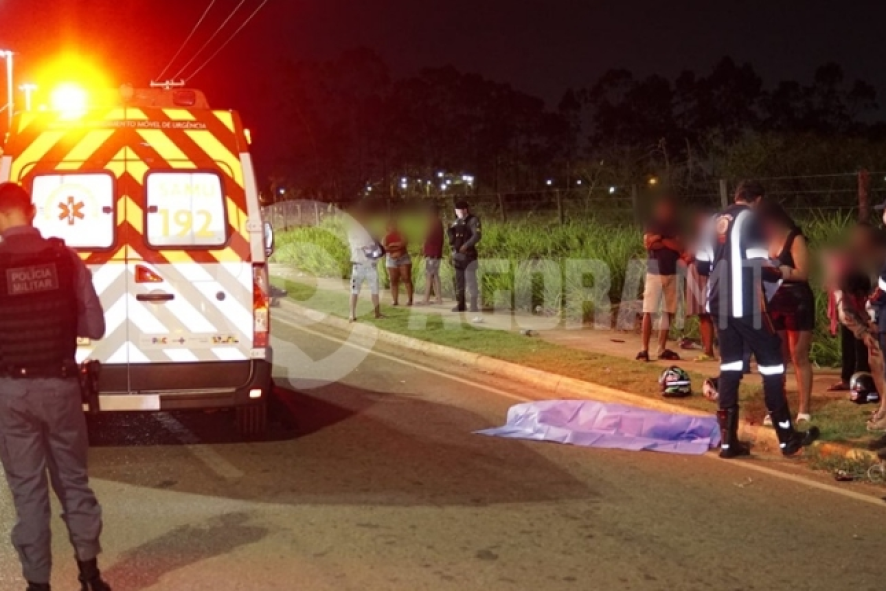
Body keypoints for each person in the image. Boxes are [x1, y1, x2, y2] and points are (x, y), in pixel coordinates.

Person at [0, 183, 110, 591]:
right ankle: (90, 576)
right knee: (74, 481)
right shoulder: (66, 259)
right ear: (31, 211)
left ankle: (37, 585)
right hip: (61, 388)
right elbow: (94, 327)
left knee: (27, 490)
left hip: (10, 393)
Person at [696, 180, 819, 459]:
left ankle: (728, 441)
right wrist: (781, 271)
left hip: (717, 303)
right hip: (747, 304)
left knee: (730, 366)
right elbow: (759, 265)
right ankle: (787, 437)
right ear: (758, 200)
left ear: (737, 196)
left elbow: (702, 265)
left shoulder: (713, 220)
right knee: (773, 364)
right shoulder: (751, 219)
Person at [758, 202, 815, 423]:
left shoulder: (795, 239)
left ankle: (804, 409)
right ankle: (777, 407)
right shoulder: (765, 240)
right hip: (774, 300)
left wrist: (780, 271)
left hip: (797, 301)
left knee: (798, 355)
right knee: (777, 356)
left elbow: (803, 273)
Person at [825, 223, 876, 391]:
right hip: (851, 302)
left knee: (866, 344)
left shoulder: (875, 258)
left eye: (861, 236)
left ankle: (865, 379)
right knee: (851, 339)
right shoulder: (849, 257)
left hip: (871, 303)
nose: (857, 240)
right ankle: (848, 378)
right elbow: (844, 311)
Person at [638, 196, 682, 362]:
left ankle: (661, 348)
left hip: (672, 271)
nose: (666, 211)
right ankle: (644, 349)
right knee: (648, 310)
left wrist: (659, 239)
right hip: (654, 272)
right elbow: (648, 244)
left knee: (668, 311)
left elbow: (679, 246)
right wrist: (666, 241)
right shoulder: (652, 222)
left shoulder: (676, 224)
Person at [681, 209, 716, 361]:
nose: (698, 222)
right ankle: (708, 350)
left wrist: (692, 253)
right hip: (696, 274)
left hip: (711, 275)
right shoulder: (696, 235)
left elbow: (691, 253)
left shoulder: (715, 235)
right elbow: (686, 255)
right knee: (703, 314)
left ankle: (727, 352)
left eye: (700, 218)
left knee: (718, 314)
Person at [347, 205, 385, 322]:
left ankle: (377, 313)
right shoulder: (354, 231)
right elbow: (368, 248)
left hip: (369, 265)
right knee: (355, 290)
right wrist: (376, 249)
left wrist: (376, 247)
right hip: (359, 265)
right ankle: (352, 314)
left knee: (374, 290)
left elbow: (375, 245)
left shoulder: (367, 230)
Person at [447, 200, 482, 313]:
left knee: (471, 280)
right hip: (458, 256)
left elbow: (477, 236)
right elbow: (453, 240)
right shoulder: (456, 222)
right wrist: (452, 254)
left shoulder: (473, 220)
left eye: (460, 209)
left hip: (468, 255)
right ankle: (461, 304)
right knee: (459, 282)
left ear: (465, 209)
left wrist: (466, 245)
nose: (457, 211)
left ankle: (473, 305)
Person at [383, 218, 414, 306]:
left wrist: (393, 245)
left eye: (394, 225)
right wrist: (396, 247)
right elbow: (385, 247)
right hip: (391, 259)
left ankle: (410, 299)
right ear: (387, 227)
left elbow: (403, 243)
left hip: (403, 258)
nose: (392, 227)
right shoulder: (386, 237)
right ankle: (395, 300)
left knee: (406, 278)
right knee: (393, 280)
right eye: (390, 226)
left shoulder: (401, 234)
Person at [418, 205, 444, 306]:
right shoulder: (438, 222)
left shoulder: (433, 223)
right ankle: (438, 298)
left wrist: (423, 246)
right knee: (435, 275)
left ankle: (426, 298)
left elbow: (427, 235)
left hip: (432, 253)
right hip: (436, 252)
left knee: (429, 275)